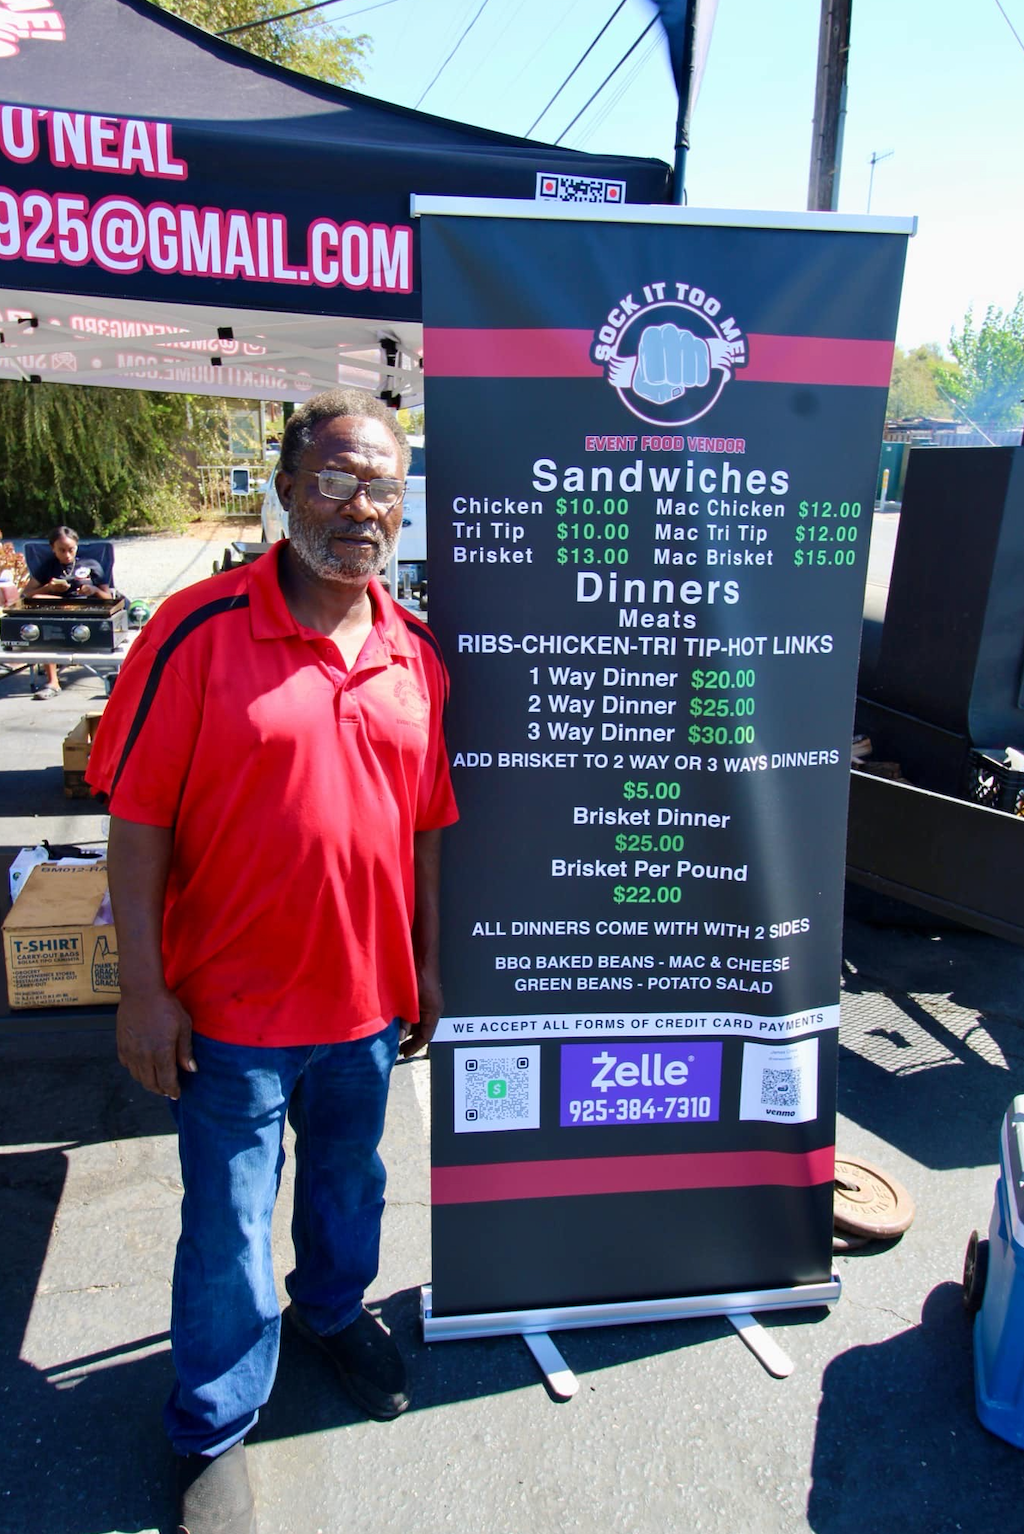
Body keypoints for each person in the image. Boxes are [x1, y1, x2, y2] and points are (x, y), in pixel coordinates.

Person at [86, 389, 457, 1534]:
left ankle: (332, 1314)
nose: (360, 508)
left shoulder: (413, 654)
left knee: (350, 1186)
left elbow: (424, 829)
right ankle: (212, 1422)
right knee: (229, 1228)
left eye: (382, 487)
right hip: (228, 1014)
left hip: (364, 1007)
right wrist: (142, 988)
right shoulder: (195, 631)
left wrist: (426, 965)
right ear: (287, 488)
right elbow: (137, 820)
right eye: (336, 480)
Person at [23, 524, 113, 699]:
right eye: (61, 550)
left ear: (76, 546)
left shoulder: (90, 564)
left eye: (71, 549)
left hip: (86, 611)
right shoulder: (48, 567)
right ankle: (52, 682)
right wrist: (49, 588)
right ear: (53, 548)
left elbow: (108, 597)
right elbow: (27, 594)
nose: (67, 555)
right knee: (43, 617)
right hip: (55, 612)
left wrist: (93, 590)